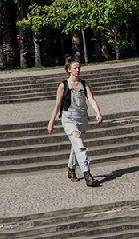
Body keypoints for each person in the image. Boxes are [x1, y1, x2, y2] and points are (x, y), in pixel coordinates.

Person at [47, 58, 104, 186]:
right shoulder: (63, 85)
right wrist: (51, 121)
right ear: (69, 70)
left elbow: (91, 99)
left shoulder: (84, 84)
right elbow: (57, 105)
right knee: (80, 145)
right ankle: (87, 174)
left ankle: (71, 168)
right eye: (75, 68)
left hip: (82, 118)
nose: (78, 70)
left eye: (79, 68)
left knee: (76, 145)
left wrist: (98, 112)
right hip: (69, 118)